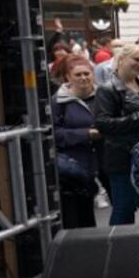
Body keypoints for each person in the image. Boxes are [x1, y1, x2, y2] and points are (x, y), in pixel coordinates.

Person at [93, 44, 139, 226]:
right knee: (124, 209)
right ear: (122, 59)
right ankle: (117, 250)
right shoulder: (107, 89)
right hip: (123, 158)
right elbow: (103, 125)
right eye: (136, 59)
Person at [52, 55, 103, 229]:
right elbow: (53, 134)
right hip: (73, 169)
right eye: (78, 74)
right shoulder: (58, 102)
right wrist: (85, 134)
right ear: (68, 77)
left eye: (87, 73)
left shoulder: (104, 97)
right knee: (77, 219)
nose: (83, 78)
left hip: (104, 162)